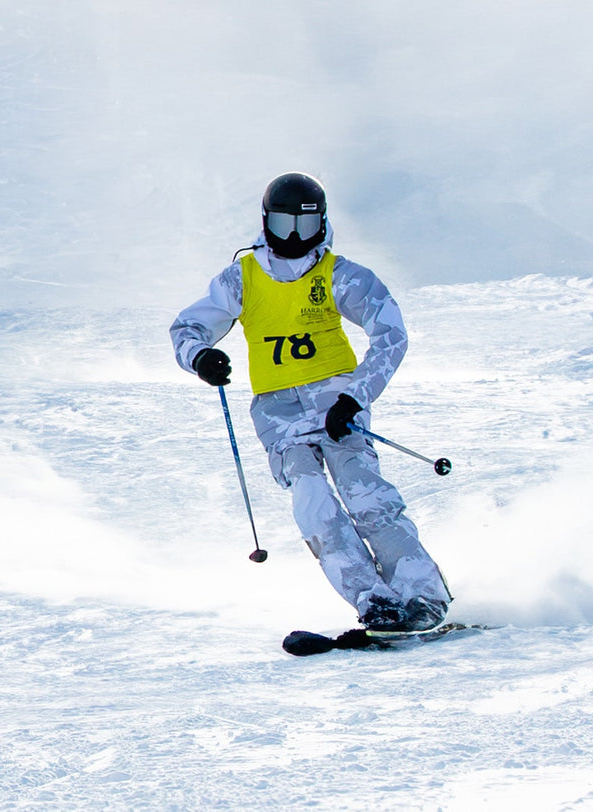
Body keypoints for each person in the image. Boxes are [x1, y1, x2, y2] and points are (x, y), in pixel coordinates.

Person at [170, 172, 451, 632]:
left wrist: (355, 396)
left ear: (322, 223)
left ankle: (424, 595)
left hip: (335, 404)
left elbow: (391, 334)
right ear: (265, 224)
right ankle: (373, 599)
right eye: (284, 226)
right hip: (279, 415)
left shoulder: (339, 275)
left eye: (305, 225)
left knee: (367, 498)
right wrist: (200, 357)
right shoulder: (242, 278)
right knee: (314, 504)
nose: (295, 238)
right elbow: (187, 326)